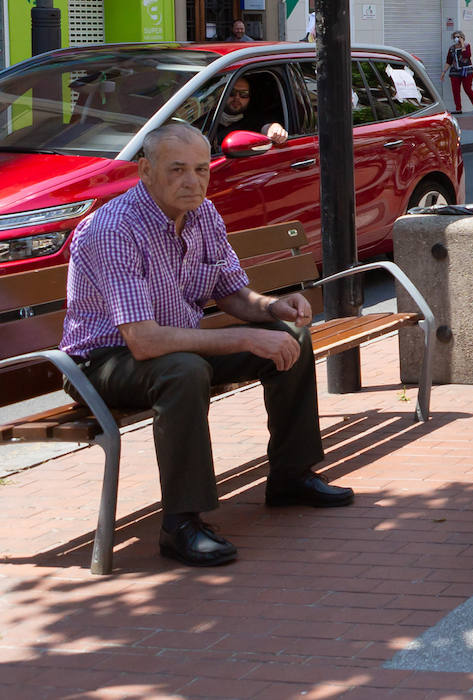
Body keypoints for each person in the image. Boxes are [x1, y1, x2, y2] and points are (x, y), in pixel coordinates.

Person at [59, 123, 354, 567]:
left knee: (288, 337)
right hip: (102, 362)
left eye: (200, 169)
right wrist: (240, 337)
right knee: (184, 370)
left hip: (174, 347)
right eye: (176, 170)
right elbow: (142, 340)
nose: (192, 181)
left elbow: (232, 294)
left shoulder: (204, 215)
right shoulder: (113, 228)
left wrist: (275, 309)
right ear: (145, 170)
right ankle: (181, 524)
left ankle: (292, 476)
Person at [211, 77, 287, 147]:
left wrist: (275, 130)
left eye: (244, 94)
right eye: (232, 93)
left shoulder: (253, 120)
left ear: (249, 98)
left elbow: (267, 126)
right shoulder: (208, 118)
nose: (237, 97)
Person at [443, 31, 473, 114]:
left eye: (459, 37)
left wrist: (462, 43)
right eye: (455, 37)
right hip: (455, 71)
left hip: (467, 71)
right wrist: (444, 72)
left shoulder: (467, 46)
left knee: (467, 89)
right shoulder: (452, 48)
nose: (457, 38)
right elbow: (448, 61)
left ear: (462, 37)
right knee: (455, 90)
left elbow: (466, 55)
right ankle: (458, 109)